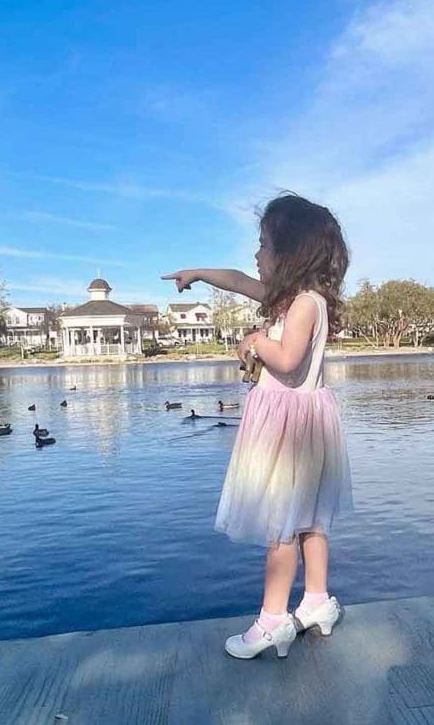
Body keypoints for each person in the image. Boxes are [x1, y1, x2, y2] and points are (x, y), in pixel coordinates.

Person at [162, 193, 352, 659]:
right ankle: (316, 601)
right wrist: (201, 273)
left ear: (292, 253)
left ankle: (272, 623)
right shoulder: (294, 299)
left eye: (264, 244)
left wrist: (256, 341)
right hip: (301, 425)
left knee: (282, 527)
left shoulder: (304, 305)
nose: (256, 255)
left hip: (289, 430)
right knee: (310, 520)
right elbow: (238, 280)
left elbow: (287, 359)